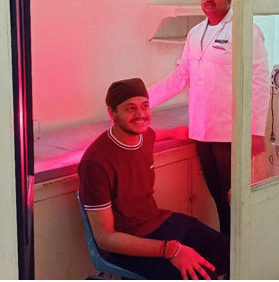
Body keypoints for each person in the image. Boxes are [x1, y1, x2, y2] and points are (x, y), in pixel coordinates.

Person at [148, 0, 270, 236]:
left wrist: (256, 131)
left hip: (230, 132)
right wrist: (145, 101)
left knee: (234, 197)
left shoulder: (246, 31)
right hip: (202, 130)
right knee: (218, 197)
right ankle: (227, 249)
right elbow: (181, 76)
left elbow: (259, 81)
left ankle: (239, 251)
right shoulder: (195, 33)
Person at [78, 78, 229, 280]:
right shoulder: (95, 162)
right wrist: (171, 250)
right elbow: (105, 239)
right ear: (111, 113)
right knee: (201, 276)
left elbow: (153, 134)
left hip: (159, 222)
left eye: (145, 106)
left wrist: (174, 133)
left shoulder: (145, 135)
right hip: (126, 245)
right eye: (130, 108)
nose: (140, 115)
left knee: (233, 252)